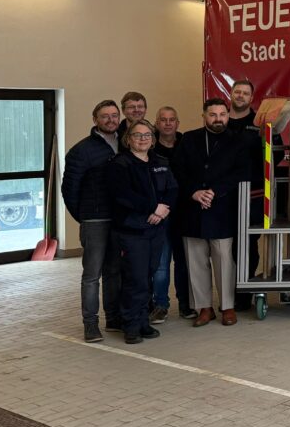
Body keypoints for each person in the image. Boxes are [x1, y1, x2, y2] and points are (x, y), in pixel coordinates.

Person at [172, 98, 251, 327]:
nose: (218, 119)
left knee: (224, 260)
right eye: (213, 114)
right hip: (192, 209)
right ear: (204, 116)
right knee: (196, 262)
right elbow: (177, 170)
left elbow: (242, 172)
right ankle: (204, 308)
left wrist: (214, 192)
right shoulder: (189, 139)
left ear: (228, 115)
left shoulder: (238, 140)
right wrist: (194, 192)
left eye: (222, 114)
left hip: (222, 209)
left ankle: (227, 306)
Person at [107, 120, 177, 345]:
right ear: (129, 139)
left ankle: (143, 322)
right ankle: (131, 326)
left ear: (153, 139)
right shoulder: (120, 164)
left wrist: (163, 210)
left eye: (147, 135)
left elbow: (172, 189)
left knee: (148, 276)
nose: (143, 139)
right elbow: (122, 195)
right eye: (138, 135)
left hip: (156, 228)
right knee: (134, 279)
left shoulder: (161, 162)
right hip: (132, 230)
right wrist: (151, 208)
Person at [61, 99, 124, 343]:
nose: (110, 120)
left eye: (114, 115)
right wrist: (85, 216)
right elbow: (70, 190)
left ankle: (113, 318)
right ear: (95, 120)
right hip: (95, 221)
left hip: (119, 219)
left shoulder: (125, 143)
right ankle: (90, 323)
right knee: (91, 275)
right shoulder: (81, 150)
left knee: (113, 272)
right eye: (105, 116)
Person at [151, 106, 192, 321]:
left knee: (184, 262)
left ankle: (186, 304)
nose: (167, 123)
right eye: (163, 120)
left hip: (185, 213)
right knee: (161, 263)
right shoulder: (149, 148)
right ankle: (161, 305)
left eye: (172, 120)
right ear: (156, 123)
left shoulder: (187, 145)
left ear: (177, 123)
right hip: (161, 214)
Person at [227, 79, 259, 311]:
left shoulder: (260, 123)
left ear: (251, 98)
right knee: (223, 246)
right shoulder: (219, 120)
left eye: (245, 93)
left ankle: (244, 293)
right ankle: (227, 295)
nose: (240, 96)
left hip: (252, 194)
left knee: (248, 245)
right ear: (231, 94)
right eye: (237, 92)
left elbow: (273, 154)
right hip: (222, 195)